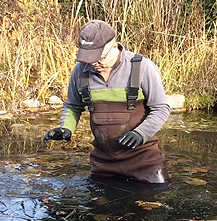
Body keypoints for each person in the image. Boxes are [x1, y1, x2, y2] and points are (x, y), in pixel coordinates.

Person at [44, 20, 170, 184]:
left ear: (115, 46)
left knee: (155, 202)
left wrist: (141, 133)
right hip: (103, 163)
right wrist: (66, 128)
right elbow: (73, 106)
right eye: (88, 58)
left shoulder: (142, 67)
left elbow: (161, 109)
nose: (93, 64)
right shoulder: (80, 71)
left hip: (145, 160)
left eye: (99, 58)